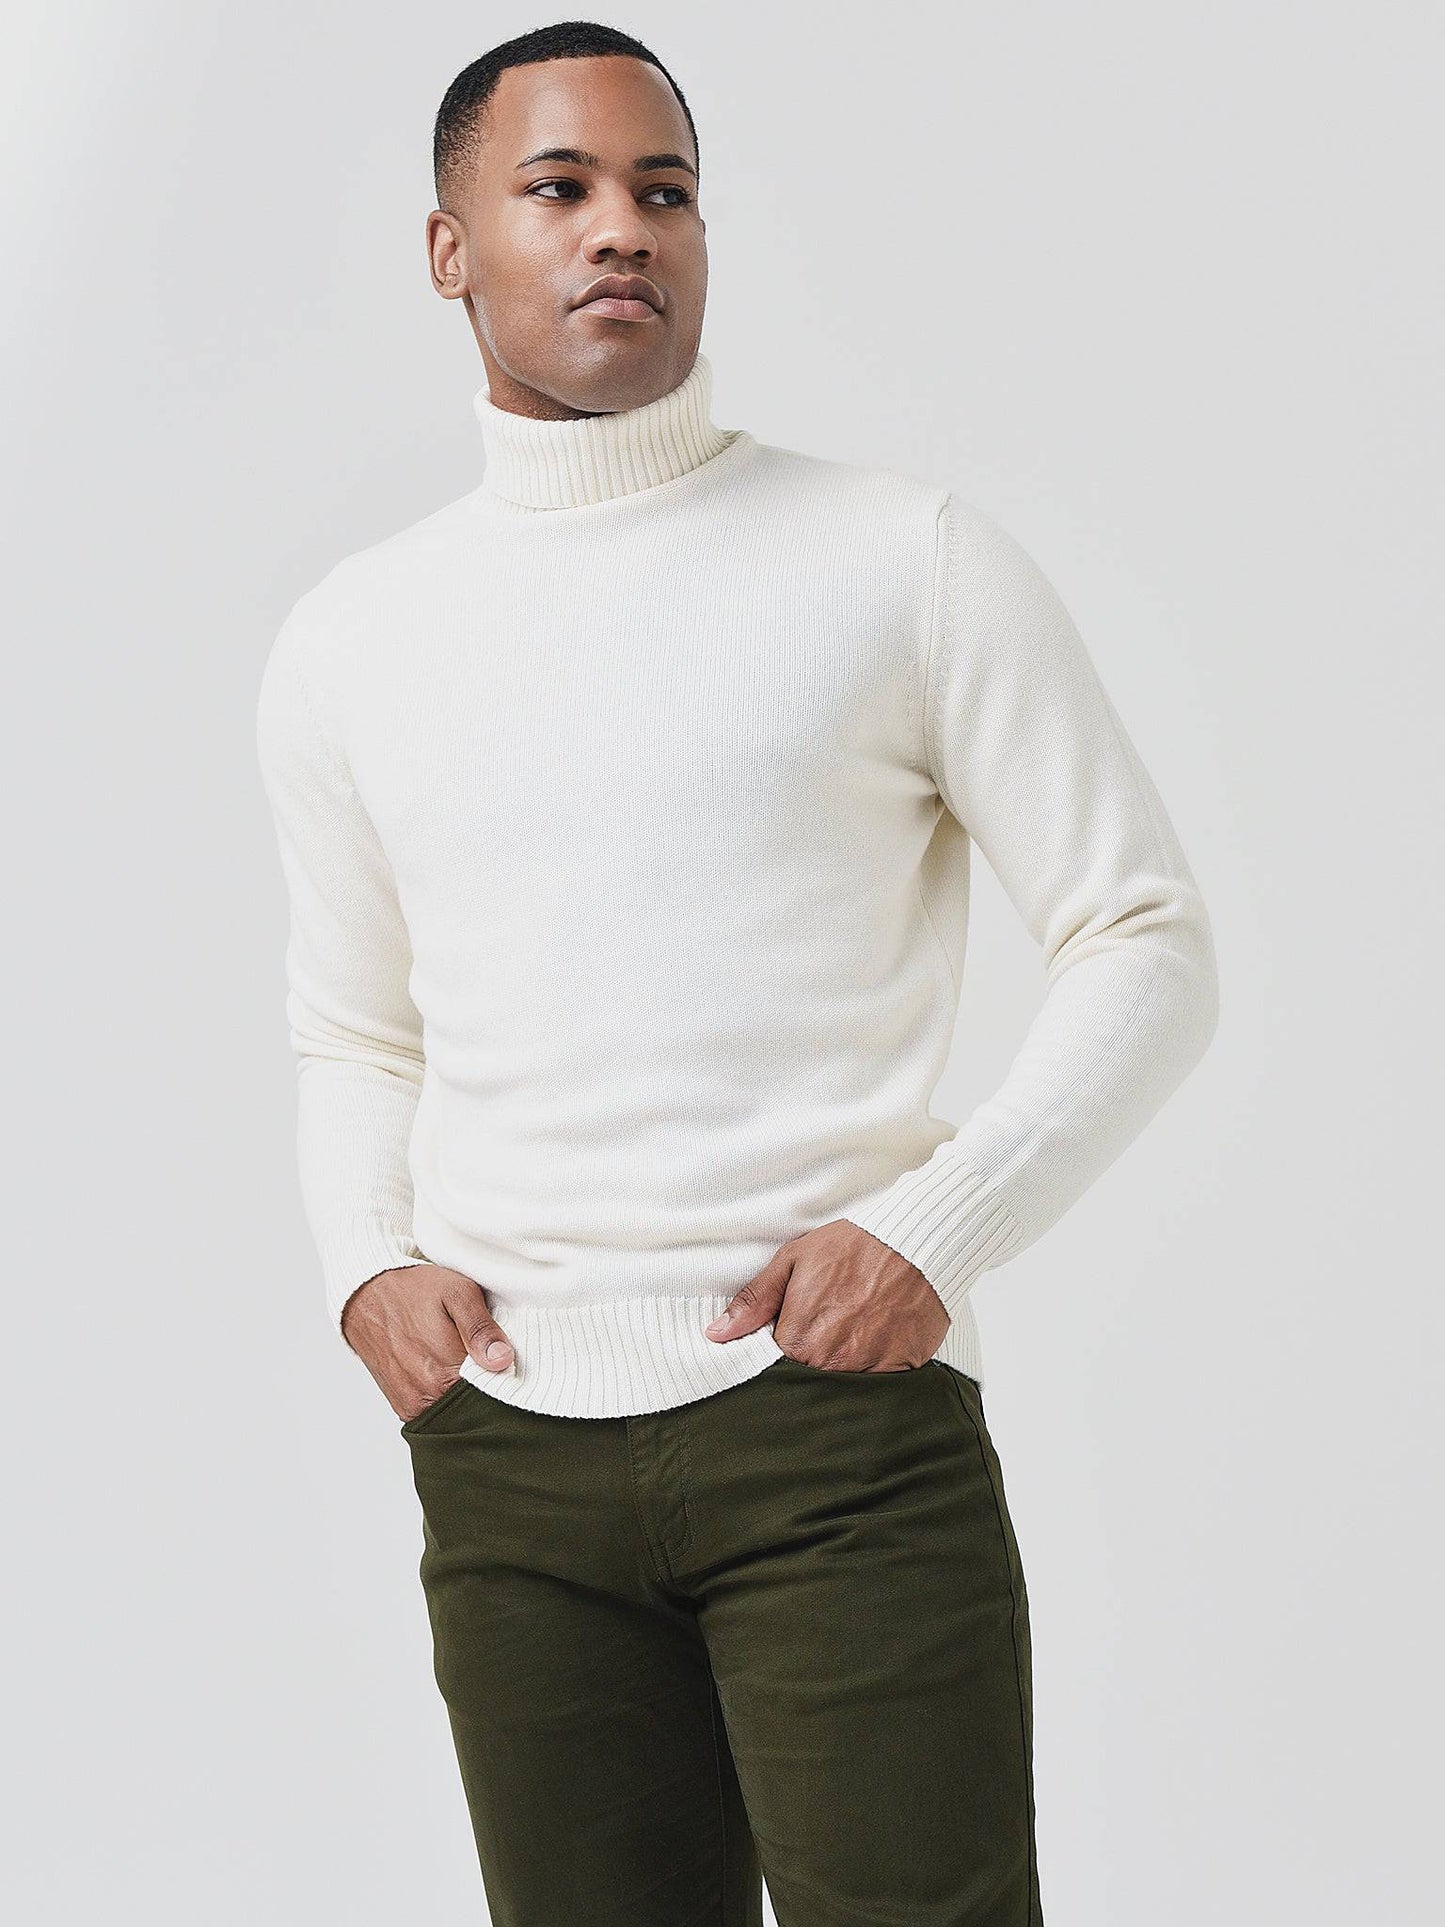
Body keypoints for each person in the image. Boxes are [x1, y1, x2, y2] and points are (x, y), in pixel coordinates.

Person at [255, 21, 1218, 1927]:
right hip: (510, 1467)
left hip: (833, 1437)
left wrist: (933, 1230)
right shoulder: (352, 640)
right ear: (449, 248)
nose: (622, 228)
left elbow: (1145, 938)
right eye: (558, 188)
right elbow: (356, 1026)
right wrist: (366, 1262)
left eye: (665, 191)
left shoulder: (900, 560)